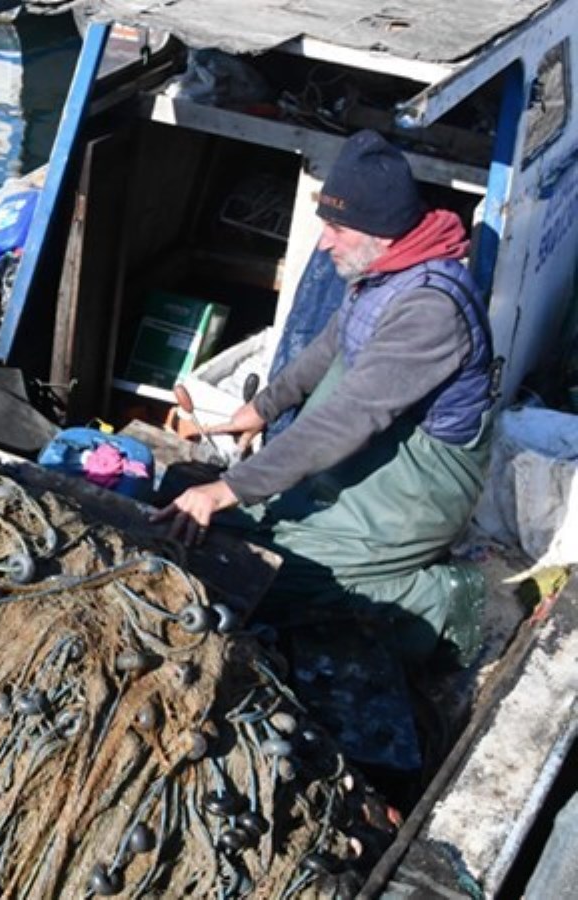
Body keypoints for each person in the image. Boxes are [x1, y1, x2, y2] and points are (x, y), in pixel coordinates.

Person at [151, 130, 497, 663]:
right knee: (229, 531)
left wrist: (228, 488)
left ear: (380, 233)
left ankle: (445, 602)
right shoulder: (383, 272)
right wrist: (262, 408)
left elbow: (346, 420)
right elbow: (332, 343)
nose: (324, 242)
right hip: (372, 458)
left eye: (336, 228)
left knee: (279, 579)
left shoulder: (432, 308)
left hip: (417, 491)